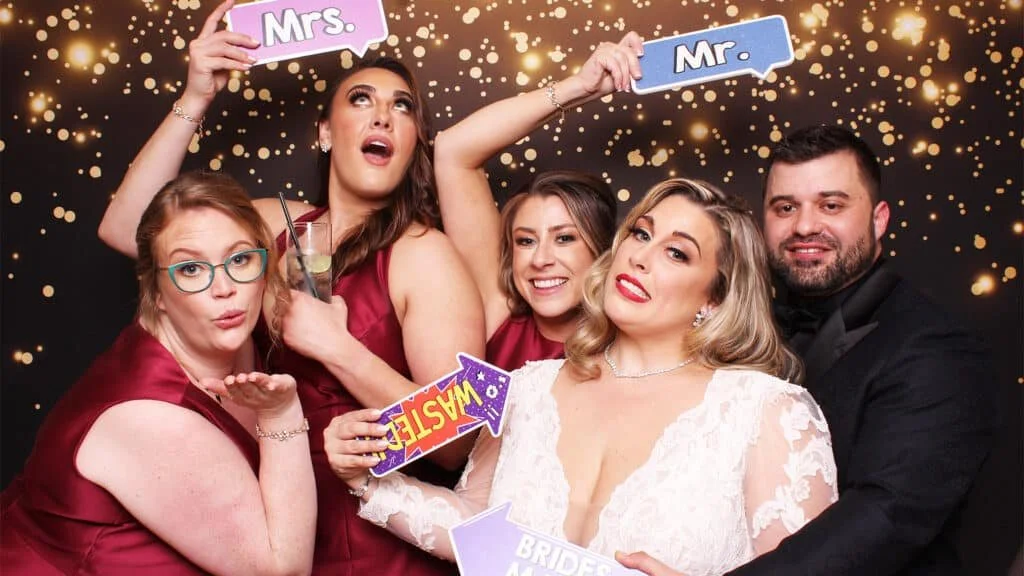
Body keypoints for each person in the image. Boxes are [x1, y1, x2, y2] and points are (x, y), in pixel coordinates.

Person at [96, 1, 483, 573]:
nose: (382, 116)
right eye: (361, 100)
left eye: (402, 107)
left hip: (364, 542)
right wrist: (196, 96)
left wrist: (339, 349)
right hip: (258, 510)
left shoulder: (424, 255)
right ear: (326, 133)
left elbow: (457, 442)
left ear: (413, 141)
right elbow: (128, 228)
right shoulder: (276, 225)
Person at [325, 178, 839, 575]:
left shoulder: (769, 412)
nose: (639, 256)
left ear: (715, 298)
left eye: (676, 252)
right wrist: (369, 483)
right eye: (640, 233)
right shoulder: (528, 387)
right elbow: (476, 526)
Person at [0, 171, 315, 575]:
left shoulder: (227, 335)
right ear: (156, 293)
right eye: (191, 270)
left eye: (239, 259)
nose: (224, 287)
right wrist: (282, 414)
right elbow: (284, 572)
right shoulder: (150, 418)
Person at [720, 125, 998, 575]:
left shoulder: (938, 350)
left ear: (879, 218)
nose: (805, 226)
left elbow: (886, 516)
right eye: (785, 208)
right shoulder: (742, 324)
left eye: (831, 205)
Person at [433, 35, 643, 370]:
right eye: (526, 241)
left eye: (564, 238)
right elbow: (452, 150)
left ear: (602, 251)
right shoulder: (496, 313)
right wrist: (579, 87)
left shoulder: (636, 347)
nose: (541, 259)